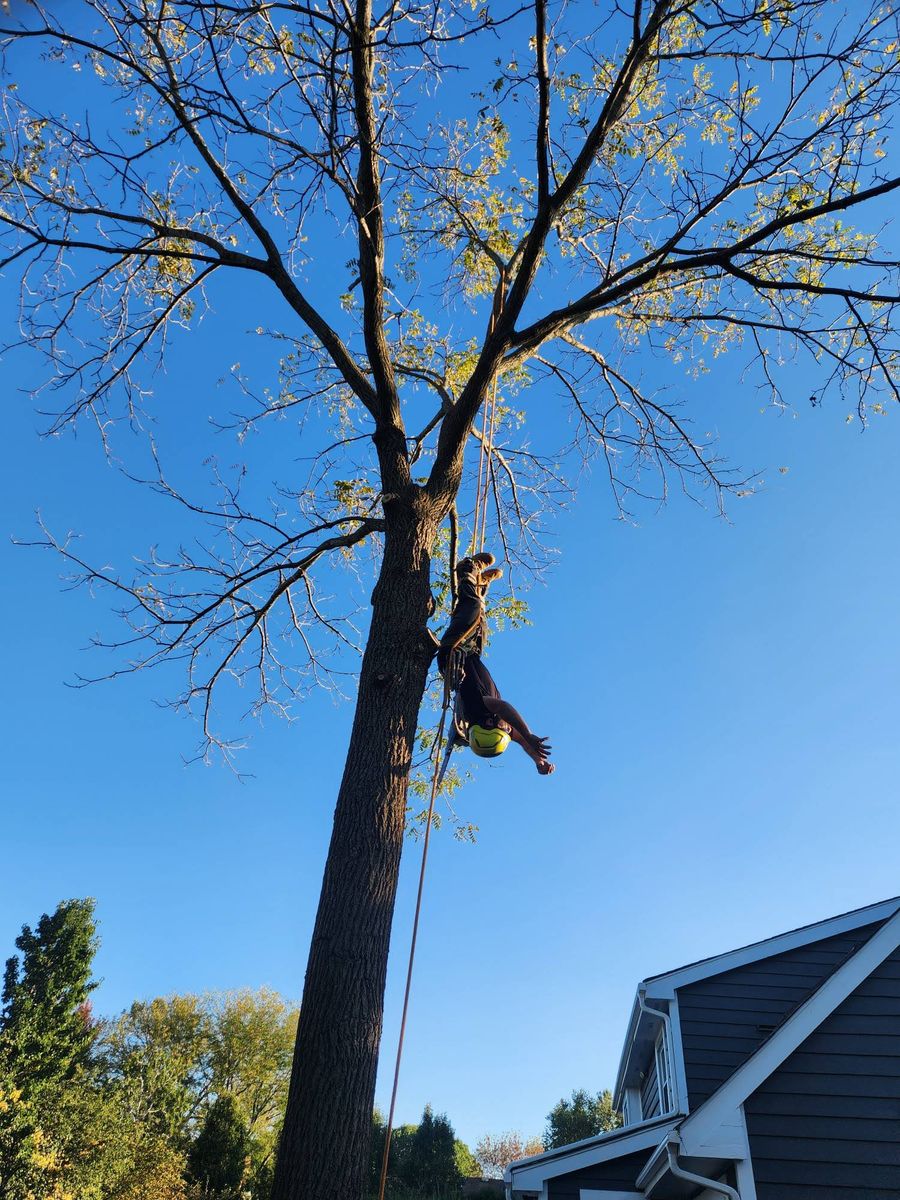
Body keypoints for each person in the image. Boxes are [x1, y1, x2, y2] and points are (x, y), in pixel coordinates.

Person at [436, 552, 554, 775]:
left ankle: (468, 569)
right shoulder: (491, 721)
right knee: (480, 622)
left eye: (504, 728)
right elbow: (522, 741)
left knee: (471, 608)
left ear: (488, 724)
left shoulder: (477, 708)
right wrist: (538, 761)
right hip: (471, 654)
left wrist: (528, 733)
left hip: (454, 652)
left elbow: (504, 708)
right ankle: (480, 584)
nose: (508, 728)